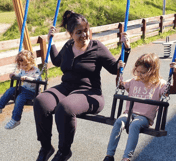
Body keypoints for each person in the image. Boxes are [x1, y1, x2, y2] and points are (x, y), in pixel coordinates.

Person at [33, 10, 131, 161]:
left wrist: (127, 49)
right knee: (41, 101)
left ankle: (64, 151)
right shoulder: (68, 46)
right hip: (66, 88)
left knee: (65, 108)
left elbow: (113, 68)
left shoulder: (96, 47)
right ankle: (46, 147)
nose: (84, 35)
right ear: (70, 34)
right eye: (79, 32)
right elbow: (57, 61)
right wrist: (50, 41)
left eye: (86, 31)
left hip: (90, 93)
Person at [103, 53, 176, 161]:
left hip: (144, 118)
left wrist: (175, 72)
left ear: (152, 71)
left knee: (134, 125)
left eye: (143, 72)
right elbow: (119, 85)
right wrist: (119, 70)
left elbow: (175, 90)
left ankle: (126, 158)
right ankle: (109, 155)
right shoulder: (134, 81)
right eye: (137, 71)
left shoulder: (160, 84)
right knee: (118, 122)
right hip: (129, 113)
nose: (139, 74)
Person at [0, 50, 41, 129]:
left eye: (25, 65)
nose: (23, 67)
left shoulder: (35, 70)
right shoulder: (23, 70)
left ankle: (15, 119)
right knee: (11, 90)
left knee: (20, 97)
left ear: (31, 62)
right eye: (21, 65)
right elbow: (19, 75)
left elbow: (37, 80)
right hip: (24, 89)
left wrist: (27, 78)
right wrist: (14, 75)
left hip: (32, 92)